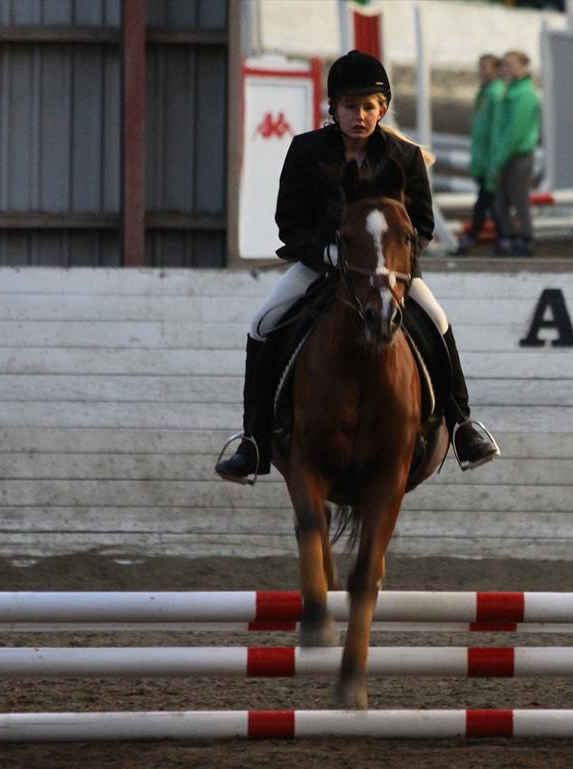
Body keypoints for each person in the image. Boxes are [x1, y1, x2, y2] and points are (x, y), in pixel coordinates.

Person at [215, 50, 500, 483]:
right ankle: (253, 440)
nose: (360, 115)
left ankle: (462, 426)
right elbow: (289, 224)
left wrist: (391, 262)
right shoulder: (306, 150)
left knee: (439, 323)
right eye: (350, 107)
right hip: (322, 266)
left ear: (381, 109)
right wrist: (329, 254)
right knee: (262, 324)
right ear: (334, 109)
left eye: (369, 106)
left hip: (387, 272)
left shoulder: (403, 156)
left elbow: (421, 226)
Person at [488, 51, 541, 258]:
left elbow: (513, 133)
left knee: (517, 201)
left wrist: (498, 161)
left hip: (515, 156)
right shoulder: (514, 91)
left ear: (522, 66)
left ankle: (524, 239)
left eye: (509, 65)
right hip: (511, 155)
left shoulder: (522, 95)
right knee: (504, 201)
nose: (504, 69)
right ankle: (511, 238)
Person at [453, 54, 505, 257]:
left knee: (485, 202)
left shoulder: (495, 94)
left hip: (490, 160)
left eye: (485, 67)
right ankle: (500, 238)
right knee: (489, 203)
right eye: (480, 67)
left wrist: (493, 161)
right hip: (484, 159)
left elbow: (495, 132)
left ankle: (473, 237)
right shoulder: (486, 93)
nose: (482, 71)